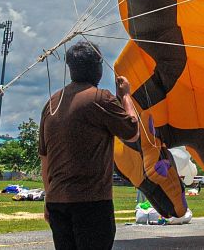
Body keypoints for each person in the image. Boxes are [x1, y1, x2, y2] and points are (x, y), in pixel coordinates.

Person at [39, 40, 141, 250]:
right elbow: (132, 133)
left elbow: (45, 160)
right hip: (91, 203)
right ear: (98, 68)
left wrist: (49, 198)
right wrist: (126, 96)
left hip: (58, 203)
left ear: (70, 68)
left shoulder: (51, 104)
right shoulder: (100, 99)